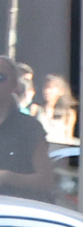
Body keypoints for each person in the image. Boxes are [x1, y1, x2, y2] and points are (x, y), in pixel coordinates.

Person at [0, 60, 56, 198]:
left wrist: (6, 176)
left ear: (14, 85)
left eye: (0, 77)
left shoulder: (29, 127)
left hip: (16, 211)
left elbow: (45, 180)